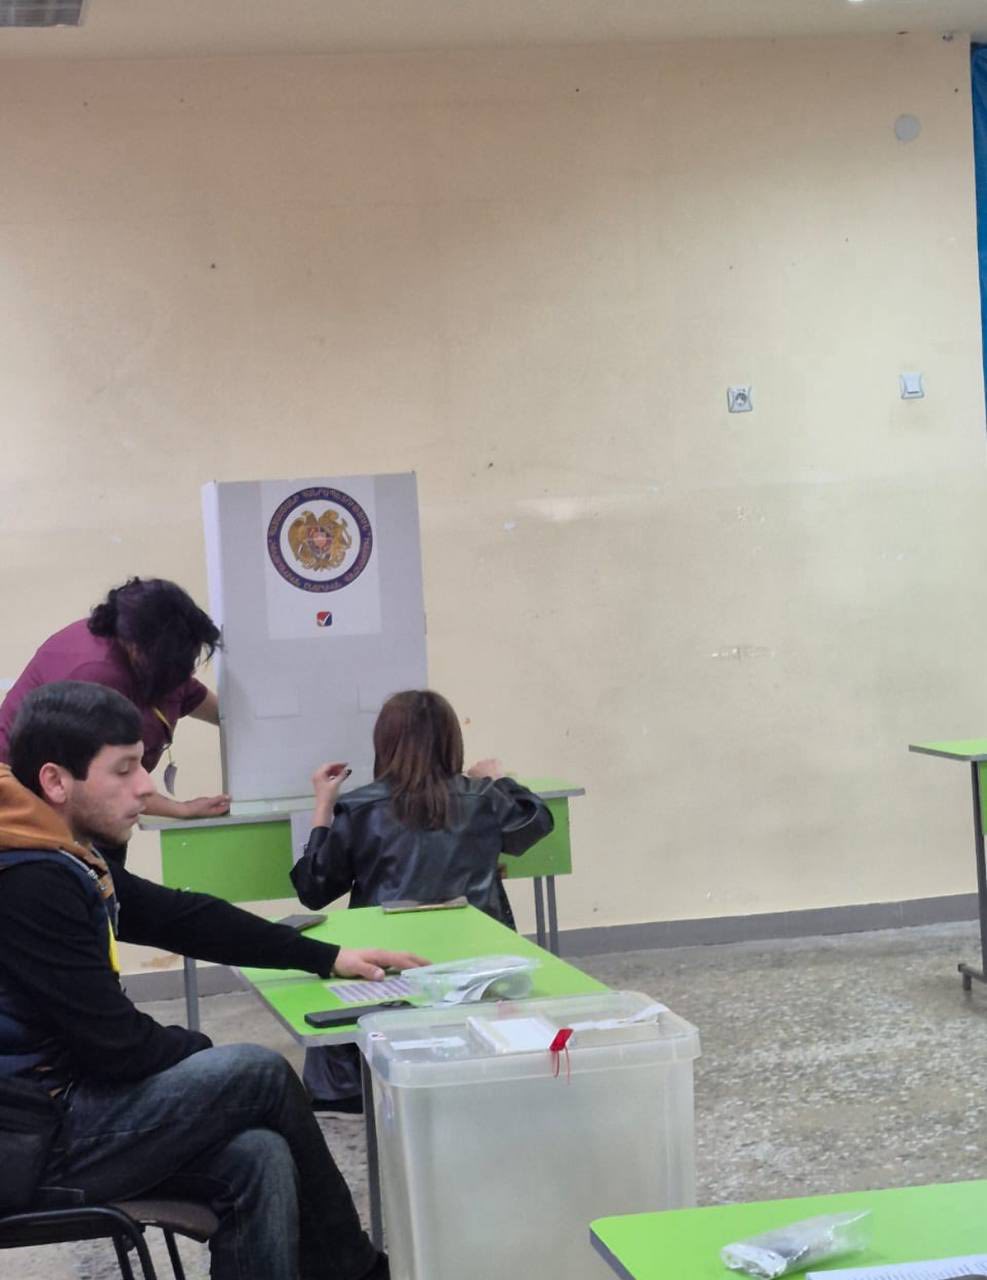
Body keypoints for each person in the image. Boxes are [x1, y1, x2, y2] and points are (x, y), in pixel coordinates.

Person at [0, 681, 428, 1280]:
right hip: (29, 1140)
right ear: (55, 781)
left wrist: (324, 955)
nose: (145, 787)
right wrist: (200, 1054)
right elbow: (117, 1046)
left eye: (142, 765)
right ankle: (353, 1268)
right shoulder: (29, 880)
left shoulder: (54, 851)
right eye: (123, 770)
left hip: (56, 1113)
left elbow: (182, 917)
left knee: (260, 1156)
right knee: (256, 1072)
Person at [290, 688, 554, 1113]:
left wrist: (323, 806)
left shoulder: (359, 808)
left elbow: (313, 889)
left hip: (391, 972)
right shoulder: (482, 799)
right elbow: (536, 822)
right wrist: (498, 780)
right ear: (451, 741)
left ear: (384, 743)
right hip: (476, 969)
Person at [0, 578, 231, 845]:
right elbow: (96, 780)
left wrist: (237, 721)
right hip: (30, 805)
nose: (185, 671)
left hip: (77, 804)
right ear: (139, 648)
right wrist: (182, 809)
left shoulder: (149, 656)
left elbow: (189, 693)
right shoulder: (94, 674)